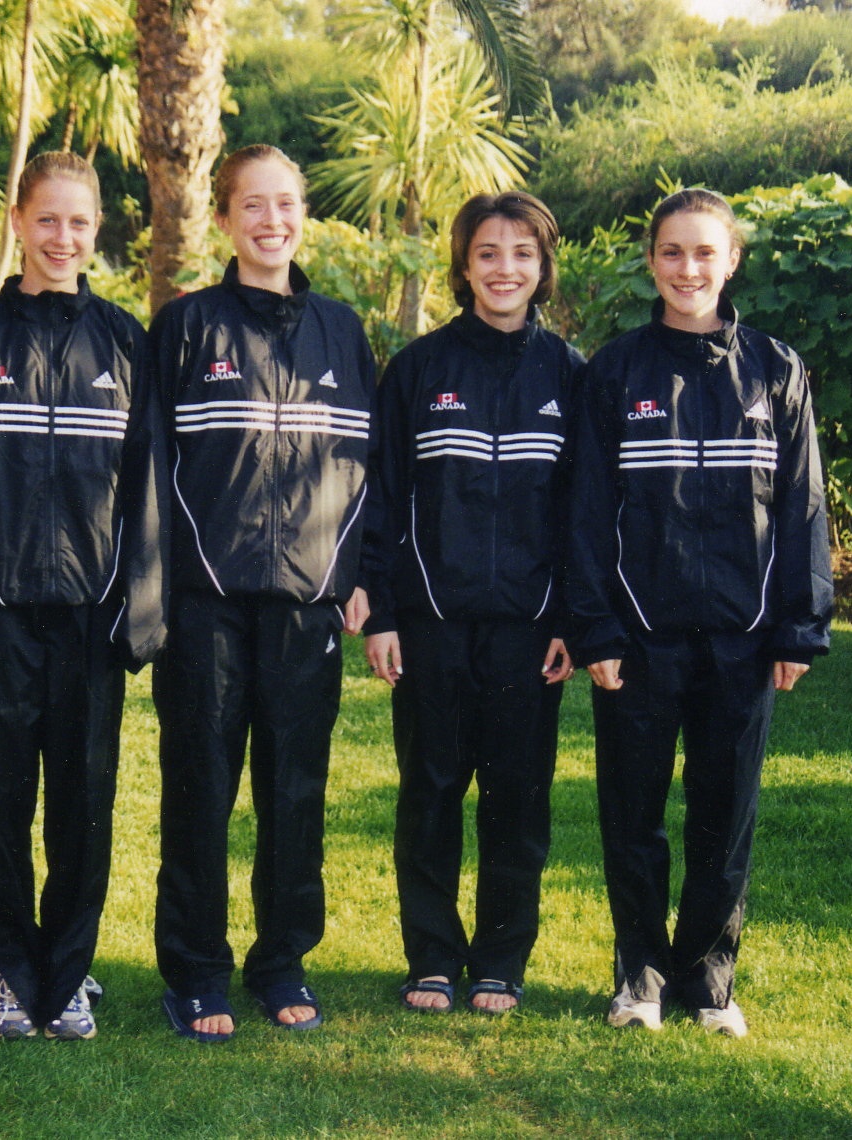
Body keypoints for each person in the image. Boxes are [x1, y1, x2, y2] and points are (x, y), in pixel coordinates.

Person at [564, 188, 832, 1038]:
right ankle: (639, 980)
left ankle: (710, 983)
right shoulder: (615, 372)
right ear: (652, 261)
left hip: (743, 642)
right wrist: (597, 628)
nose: (688, 269)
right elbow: (584, 512)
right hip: (638, 642)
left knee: (725, 819)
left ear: (732, 261)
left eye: (705, 252)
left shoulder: (776, 370)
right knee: (633, 819)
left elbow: (803, 506)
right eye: (672, 252)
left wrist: (799, 626)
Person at [150, 144, 375, 1042]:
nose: (270, 221)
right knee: (199, 789)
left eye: (285, 204)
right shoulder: (186, 326)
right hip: (204, 604)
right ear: (223, 218)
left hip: (305, 606)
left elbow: (366, 468)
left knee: (294, 792)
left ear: (302, 215)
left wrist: (351, 577)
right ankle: (196, 971)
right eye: (252, 204)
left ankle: (281, 961)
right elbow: (153, 468)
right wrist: (163, 587)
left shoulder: (341, 331)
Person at [0, 152, 165, 1042]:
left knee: (82, 804)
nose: (62, 238)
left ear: (95, 228)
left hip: (90, 617)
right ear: (18, 222)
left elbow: (146, 486)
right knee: (0, 804)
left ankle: (66, 973)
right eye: (46, 220)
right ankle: (6, 964)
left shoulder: (124, 340)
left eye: (78, 222)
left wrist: (136, 605)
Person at [359, 191, 579, 1016]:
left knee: (516, 801)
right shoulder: (418, 370)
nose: (504, 269)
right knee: (431, 793)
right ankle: (431, 958)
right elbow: (382, 499)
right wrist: (384, 613)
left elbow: (585, 514)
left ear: (543, 267)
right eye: (488, 253)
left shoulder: (571, 376)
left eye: (522, 253)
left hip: (531, 631)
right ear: (463, 265)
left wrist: (572, 621)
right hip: (432, 626)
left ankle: (500, 962)